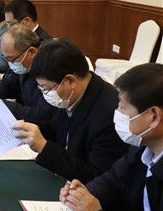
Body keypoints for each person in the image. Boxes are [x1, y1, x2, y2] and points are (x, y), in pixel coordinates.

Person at [59, 64, 162, 211]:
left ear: (153, 116)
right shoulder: (142, 147)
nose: (118, 114)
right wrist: (81, 195)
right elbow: (113, 181)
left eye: (122, 108)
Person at [12, 39, 127, 183]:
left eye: (46, 88)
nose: (45, 94)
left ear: (70, 81)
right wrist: (27, 130)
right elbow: (57, 130)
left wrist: (44, 147)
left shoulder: (109, 114)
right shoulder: (71, 94)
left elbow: (96, 176)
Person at [0, 25, 58, 123]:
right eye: (6, 59)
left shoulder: (49, 68)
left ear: (31, 52)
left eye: (11, 59)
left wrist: (1, 106)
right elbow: (11, 81)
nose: (10, 64)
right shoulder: (22, 60)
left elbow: (42, 116)